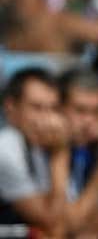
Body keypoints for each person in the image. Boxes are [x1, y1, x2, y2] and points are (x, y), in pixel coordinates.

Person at [0, 68, 70, 237]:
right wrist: (60, 153)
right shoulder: (5, 149)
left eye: (53, 109)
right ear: (10, 107)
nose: (47, 120)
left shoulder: (34, 146)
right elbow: (52, 222)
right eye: (37, 108)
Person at [59, 68, 98, 236]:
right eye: (80, 110)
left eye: (96, 112)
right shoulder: (48, 151)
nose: (89, 121)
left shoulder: (87, 149)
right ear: (59, 108)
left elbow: (97, 222)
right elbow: (71, 223)